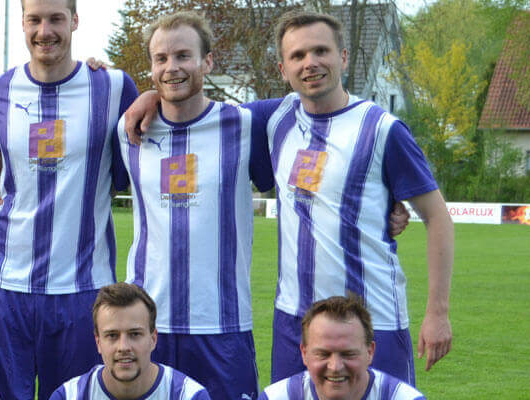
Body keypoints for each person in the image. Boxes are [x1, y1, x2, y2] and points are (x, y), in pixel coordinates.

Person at [124, 10, 454, 384]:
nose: (310, 63)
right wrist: (150, 95)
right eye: (297, 56)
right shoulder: (276, 119)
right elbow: (188, 106)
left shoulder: (381, 128)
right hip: (294, 322)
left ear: (343, 57)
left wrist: (437, 312)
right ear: (283, 68)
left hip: (371, 319)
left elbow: (438, 217)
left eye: (320, 51)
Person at [0, 0, 139, 398]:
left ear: (75, 21)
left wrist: (149, 96)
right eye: (34, 19)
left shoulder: (113, 87)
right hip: (3, 283)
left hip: (82, 287)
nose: (44, 30)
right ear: (23, 23)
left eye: (56, 19)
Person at [114, 11, 271, 400]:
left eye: (184, 56)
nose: (172, 68)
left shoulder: (246, 124)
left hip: (222, 325)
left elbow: (319, 110)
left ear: (208, 62)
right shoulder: (129, 130)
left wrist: (390, 200)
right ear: (150, 67)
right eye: (161, 59)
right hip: (147, 327)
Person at [50, 283, 209, 400]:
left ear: (153, 339)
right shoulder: (69, 396)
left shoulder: (189, 396)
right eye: (112, 335)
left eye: (135, 334)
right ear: (98, 342)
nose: (124, 347)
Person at [259, 296, 426, 400]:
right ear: (304, 353)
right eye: (323, 354)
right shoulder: (278, 397)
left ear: (370, 352)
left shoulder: (404, 398)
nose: (335, 367)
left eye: (348, 354)